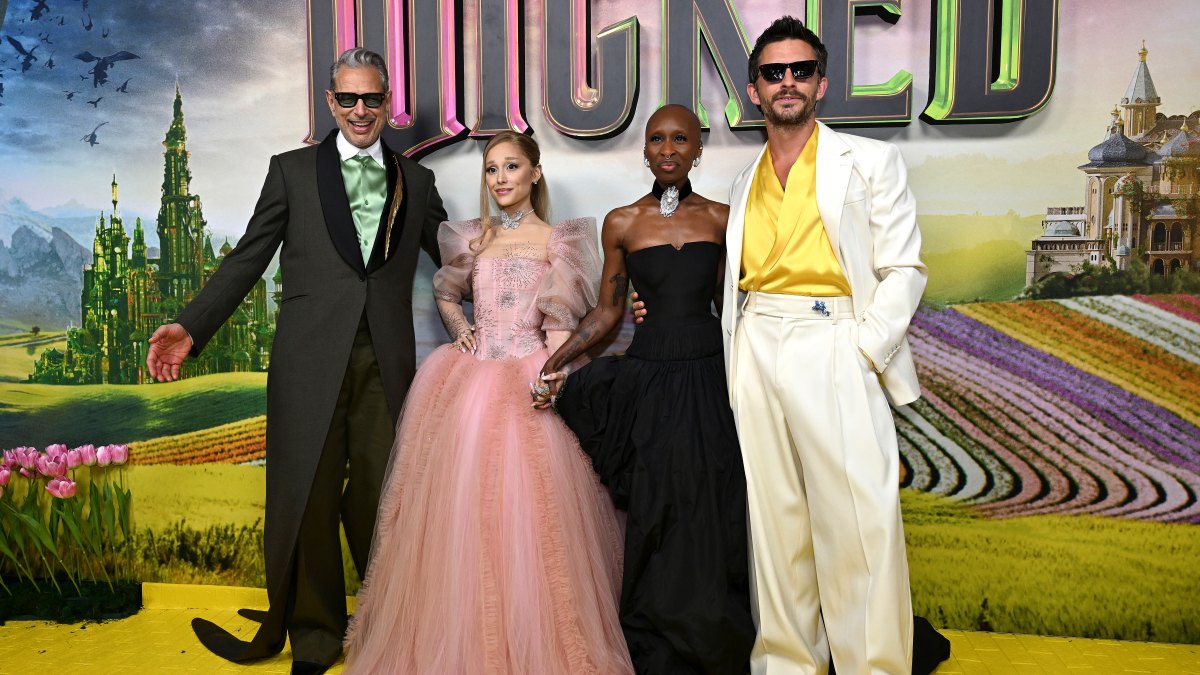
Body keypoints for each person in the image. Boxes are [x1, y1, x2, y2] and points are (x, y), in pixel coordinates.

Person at [145, 48, 446, 675]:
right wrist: (190, 327)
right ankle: (314, 635)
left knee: (378, 498)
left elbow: (460, 259)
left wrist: (534, 282)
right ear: (330, 102)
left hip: (384, 365)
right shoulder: (291, 171)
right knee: (306, 495)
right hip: (306, 363)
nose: (361, 110)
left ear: (387, 104)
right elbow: (246, 259)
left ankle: (384, 623)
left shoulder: (417, 183)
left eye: (373, 98)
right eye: (349, 99)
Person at [341, 131, 633, 674]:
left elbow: (561, 322)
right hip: (468, 384)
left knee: (529, 522)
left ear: (534, 174)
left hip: (527, 379)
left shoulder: (558, 242)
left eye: (511, 167)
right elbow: (447, 291)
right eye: (492, 170)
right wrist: (460, 329)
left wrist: (553, 373)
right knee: (458, 518)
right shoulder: (472, 239)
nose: (500, 179)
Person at [723, 16, 931, 675]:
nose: (788, 82)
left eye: (801, 71)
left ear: (823, 84)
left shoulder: (869, 161)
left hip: (833, 336)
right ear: (753, 89)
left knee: (857, 524)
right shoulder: (742, 180)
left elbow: (905, 269)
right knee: (776, 522)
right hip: (757, 340)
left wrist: (863, 352)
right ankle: (787, 661)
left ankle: (872, 666)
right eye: (773, 72)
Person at [537, 104, 756, 674]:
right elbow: (608, 313)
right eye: (656, 138)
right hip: (651, 379)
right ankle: (658, 640)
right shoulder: (622, 222)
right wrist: (557, 362)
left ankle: (717, 636)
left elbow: (733, 308)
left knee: (714, 507)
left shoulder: (724, 219)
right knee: (657, 511)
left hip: (710, 377)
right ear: (644, 149)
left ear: (698, 148)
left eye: (680, 139)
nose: (667, 149)